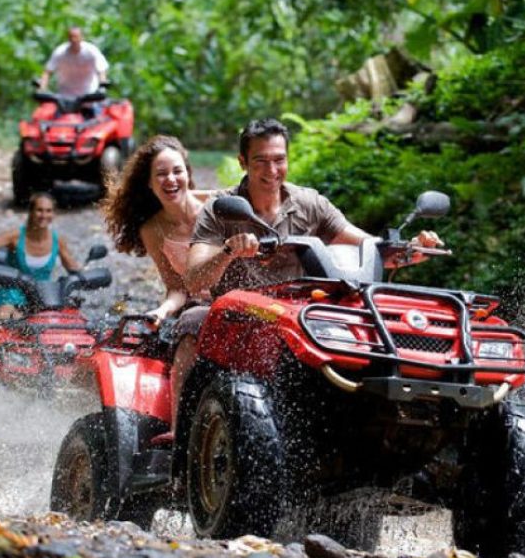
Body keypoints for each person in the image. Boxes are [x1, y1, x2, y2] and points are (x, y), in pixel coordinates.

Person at [172, 117, 442, 425]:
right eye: (261, 161)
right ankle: (180, 432)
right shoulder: (221, 208)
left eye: (279, 160)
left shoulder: (310, 204)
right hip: (237, 316)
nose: (272, 171)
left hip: (298, 315)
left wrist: (411, 249)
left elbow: (369, 247)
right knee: (192, 321)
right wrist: (228, 251)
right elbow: (194, 278)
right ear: (242, 162)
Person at [100, 134, 215, 325]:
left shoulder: (216, 204)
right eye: (161, 173)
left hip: (235, 300)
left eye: (177, 171)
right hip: (194, 309)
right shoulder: (151, 230)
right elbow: (176, 288)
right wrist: (162, 311)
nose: (170, 179)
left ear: (188, 173)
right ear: (149, 182)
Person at [0, 192, 81, 319]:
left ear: (53, 214)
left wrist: (85, 278)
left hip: (43, 297)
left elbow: (74, 270)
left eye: (48, 211)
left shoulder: (58, 241)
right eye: (39, 210)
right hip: (11, 295)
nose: (44, 215)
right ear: (31, 212)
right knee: (5, 315)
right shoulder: (14, 237)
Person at [39, 26, 108, 97]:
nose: (74, 40)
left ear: (82, 37)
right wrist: (42, 88)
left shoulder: (91, 51)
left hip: (89, 94)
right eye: (71, 37)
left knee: (97, 107)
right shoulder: (60, 52)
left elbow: (101, 69)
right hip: (65, 95)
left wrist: (102, 87)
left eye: (76, 37)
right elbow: (48, 71)